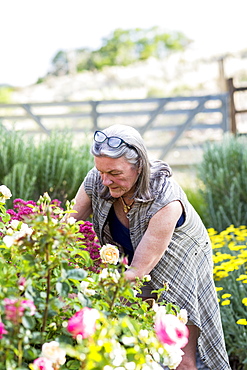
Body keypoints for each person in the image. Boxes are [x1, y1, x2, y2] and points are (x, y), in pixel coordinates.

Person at [70, 124, 230, 370]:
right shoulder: (98, 180)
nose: (106, 180)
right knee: (137, 349)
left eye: (114, 172)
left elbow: (136, 273)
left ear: (140, 167)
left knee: (178, 357)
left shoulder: (166, 199)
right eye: (100, 171)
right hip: (132, 266)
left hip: (180, 265)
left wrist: (91, 295)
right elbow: (65, 225)